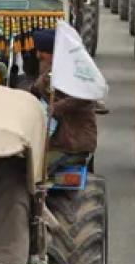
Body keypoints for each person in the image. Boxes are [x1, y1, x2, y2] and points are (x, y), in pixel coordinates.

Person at [30, 29, 98, 173]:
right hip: (57, 142)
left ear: (53, 53)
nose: (38, 55)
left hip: (72, 144)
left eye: (42, 52)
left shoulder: (75, 73)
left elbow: (84, 96)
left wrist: (56, 107)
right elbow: (36, 89)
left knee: (33, 169)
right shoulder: (50, 72)